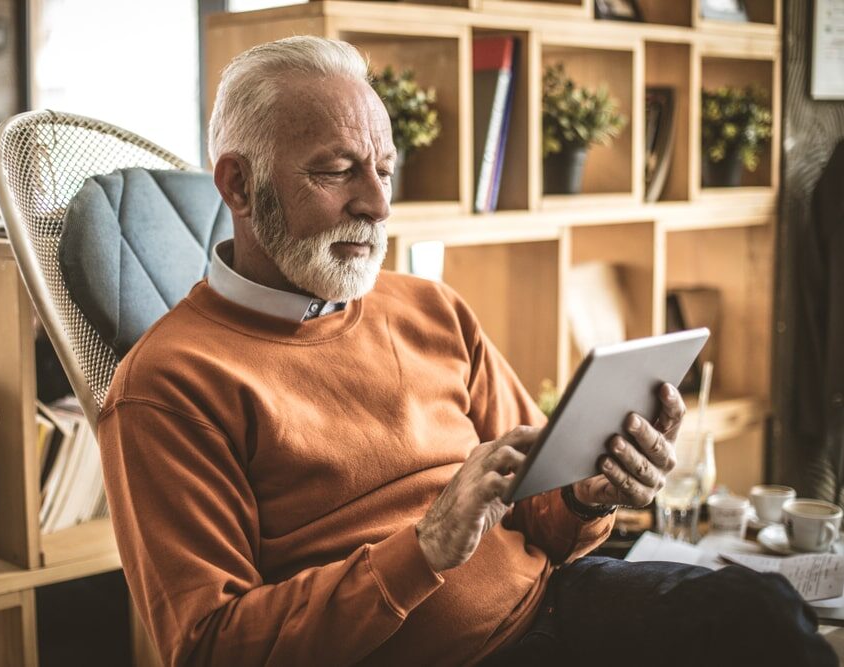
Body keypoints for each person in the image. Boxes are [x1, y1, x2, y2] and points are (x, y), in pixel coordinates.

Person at [96, 36, 835, 667]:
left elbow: (543, 509)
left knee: (763, 614)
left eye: (384, 170)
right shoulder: (166, 385)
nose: (378, 205)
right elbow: (210, 645)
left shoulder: (429, 306)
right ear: (239, 184)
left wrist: (587, 493)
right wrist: (425, 548)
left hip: (552, 605)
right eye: (337, 170)